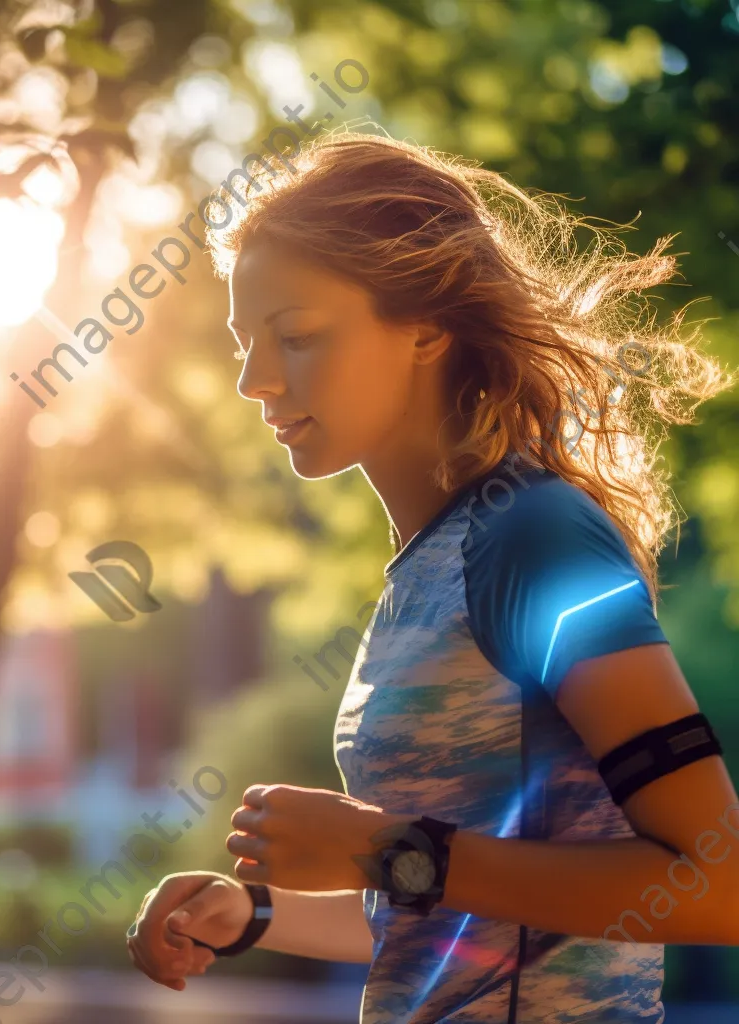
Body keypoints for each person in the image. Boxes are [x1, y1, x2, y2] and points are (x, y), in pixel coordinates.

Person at [125, 130, 739, 1023]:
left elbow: (718, 886)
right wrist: (252, 913)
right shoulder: (431, 566)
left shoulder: (535, 538)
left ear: (425, 326)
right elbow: (463, 914)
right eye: (243, 344)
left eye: (294, 335)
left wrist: (380, 847)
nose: (254, 381)